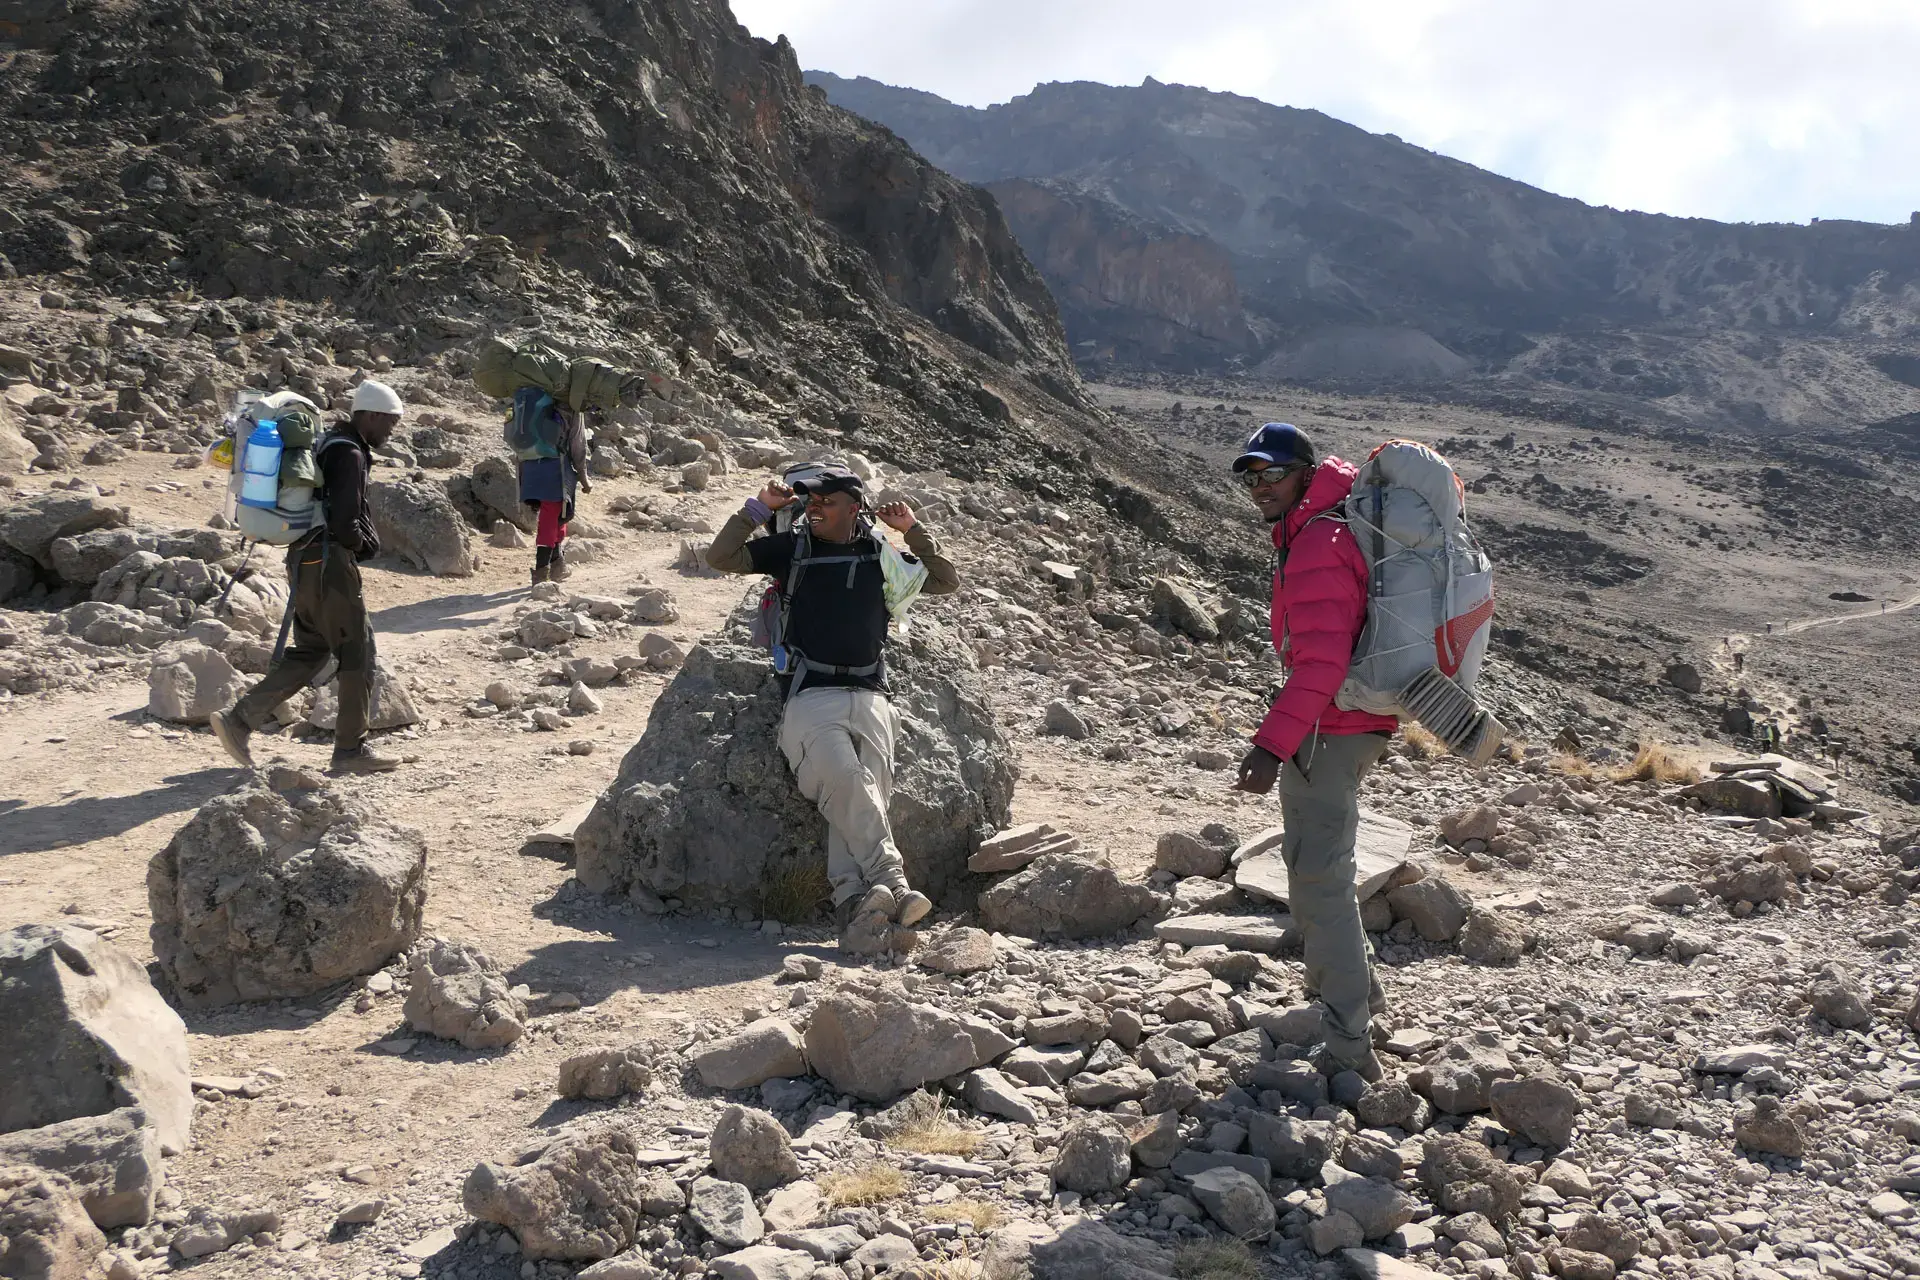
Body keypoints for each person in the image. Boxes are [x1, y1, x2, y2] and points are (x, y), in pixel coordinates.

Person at [705, 464, 960, 946]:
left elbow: (946, 580)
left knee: (864, 795)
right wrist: (757, 509)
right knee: (848, 781)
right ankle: (894, 881)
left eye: (826, 500)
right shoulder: (792, 550)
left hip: (872, 694)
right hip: (810, 695)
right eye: (811, 501)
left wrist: (911, 529)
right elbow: (720, 557)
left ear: (854, 507)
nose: (815, 507)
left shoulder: (880, 555)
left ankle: (853, 904)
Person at [1228, 422, 1399, 1082]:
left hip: (1330, 730)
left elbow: (1321, 663)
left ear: (1305, 474)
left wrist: (1271, 745)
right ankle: (1363, 997)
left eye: (1273, 473)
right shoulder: (1324, 530)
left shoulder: (1318, 545)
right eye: (1252, 476)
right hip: (1348, 724)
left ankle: (1350, 1046)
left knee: (1319, 880)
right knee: (1322, 870)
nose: (1260, 486)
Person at [209, 380, 406, 775]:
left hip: (304, 558)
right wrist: (363, 546)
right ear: (370, 415)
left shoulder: (329, 444)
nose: (391, 431)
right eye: (389, 422)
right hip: (330, 564)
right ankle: (350, 750)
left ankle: (240, 720)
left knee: (312, 649)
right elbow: (345, 520)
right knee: (358, 652)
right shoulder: (349, 453)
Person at [521, 402, 591, 584]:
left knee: (557, 514)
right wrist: (583, 477)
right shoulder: (571, 406)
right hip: (555, 468)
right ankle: (541, 573)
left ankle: (557, 565)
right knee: (553, 516)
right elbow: (578, 445)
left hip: (529, 466)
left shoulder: (531, 399)